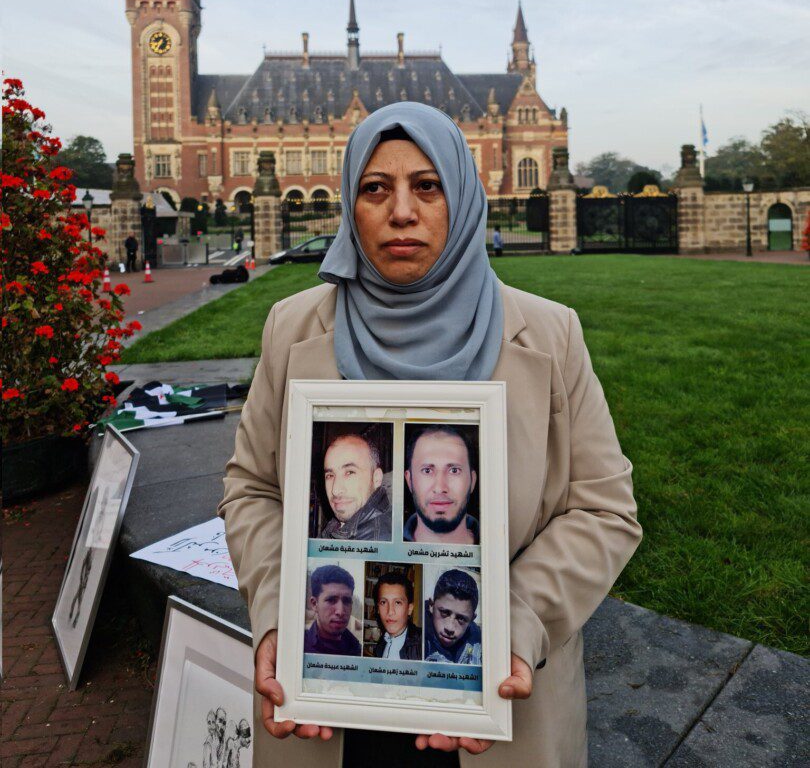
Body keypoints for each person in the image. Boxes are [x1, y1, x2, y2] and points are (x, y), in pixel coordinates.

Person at [220, 101, 642, 767]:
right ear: (349, 205)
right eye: (375, 188)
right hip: (324, 711)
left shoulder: (550, 334)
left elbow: (604, 510)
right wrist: (281, 614)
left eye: (427, 185)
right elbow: (250, 491)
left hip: (499, 708)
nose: (402, 213)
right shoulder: (292, 329)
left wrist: (511, 624)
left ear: (462, 196)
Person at [404, 425, 478, 544]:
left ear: (472, 481)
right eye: (427, 471)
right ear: (409, 481)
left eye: (454, 470)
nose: (440, 488)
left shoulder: (494, 550)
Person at [319, 431, 392, 541]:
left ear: (376, 478)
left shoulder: (379, 541)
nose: (335, 490)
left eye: (350, 472)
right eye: (330, 475)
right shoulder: (338, 526)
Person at [424, 569, 482, 666]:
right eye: (444, 613)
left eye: (461, 619)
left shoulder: (478, 640)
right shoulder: (414, 638)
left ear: (472, 619)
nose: (450, 628)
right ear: (431, 606)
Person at [304, 564, 362, 657]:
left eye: (346, 601)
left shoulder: (357, 651)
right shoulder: (298, 646)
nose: (340, 611)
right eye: (331, 600)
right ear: (314, 604)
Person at [371, 570, 422, 661]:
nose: (390, 611)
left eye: (398, 602)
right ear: (378, 608)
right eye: (383, 602)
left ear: (409, 609)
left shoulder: (423, 644)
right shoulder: (381, 644)